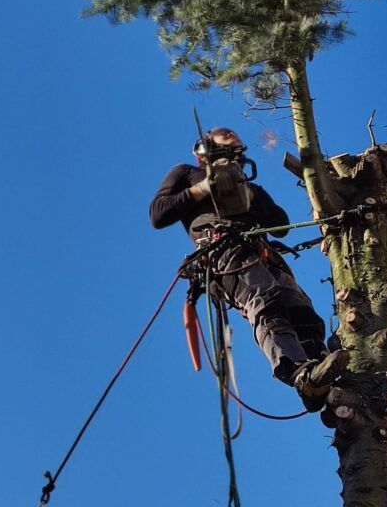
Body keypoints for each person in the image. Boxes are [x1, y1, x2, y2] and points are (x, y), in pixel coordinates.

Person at [149, 127, 348, 408]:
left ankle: (320, 371)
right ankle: (298, 371)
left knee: (300, 308)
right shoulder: (186, 173)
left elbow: (281, 225)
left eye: (236, 137)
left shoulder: (251, 187)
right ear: (205, 145)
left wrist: (250, 197)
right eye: (225, 134)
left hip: (262, 253)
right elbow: (158, 213)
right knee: (266, 302)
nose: (233, 136)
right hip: (223, 252)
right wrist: (203, 189)